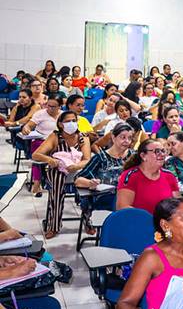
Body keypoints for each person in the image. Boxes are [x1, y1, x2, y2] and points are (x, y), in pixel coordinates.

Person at [32, 110, 92, 238]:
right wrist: (50, 160)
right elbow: (36, 155)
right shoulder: (55, 137)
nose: (72, 123)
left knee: (91, 187)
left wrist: (76, 166)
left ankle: (89, 221)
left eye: (74, 121)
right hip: (58, 170)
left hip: (77, 170)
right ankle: (54, 225)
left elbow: (87, 159)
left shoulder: (83, 138)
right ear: (60, 124)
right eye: (68, 121)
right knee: (58, 183)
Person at [76, 122, 134, 234]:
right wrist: (90, 183)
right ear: (113, 137)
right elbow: (78, 180)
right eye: (123, 137)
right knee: (120, 198)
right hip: (106, 199)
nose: (127, 141)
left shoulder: (134, 157)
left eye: (130, 138)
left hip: (130, 198)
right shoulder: (101, 158)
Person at [117, 140, 179, 214]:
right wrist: (148, 218)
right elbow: (122, 207)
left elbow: (179, 204)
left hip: (166, 220)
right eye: (157, 151)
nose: (162, 154)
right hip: (140, 220)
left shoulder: (169, 176)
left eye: (163, 151)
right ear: (143, 156)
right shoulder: (130, 176)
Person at [22, 94, 62, 196]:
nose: (50, 108)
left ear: (59, 106)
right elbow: (29, 125)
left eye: (53, 106)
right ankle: (37, 183)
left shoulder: (63, 115)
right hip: (41, 141)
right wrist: (26, 128)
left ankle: (57, 180)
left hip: (57, 142)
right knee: (38, 154)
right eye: (48, 105)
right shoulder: (40, 114)